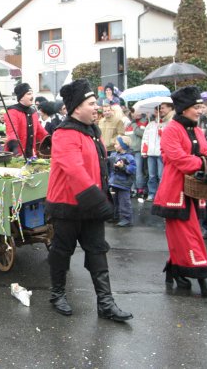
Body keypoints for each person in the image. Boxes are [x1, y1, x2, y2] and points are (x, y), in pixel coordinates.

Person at [45, 78, 132, 322]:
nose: (97, 107)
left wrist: (103, 195)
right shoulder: (64, 133)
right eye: (92, 103)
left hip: (91, 205)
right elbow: (74, 170)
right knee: (62, 251)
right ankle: (57, 294)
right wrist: (99, 201)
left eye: (96, 103)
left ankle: (106, 303)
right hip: (67, 205)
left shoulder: (93, 132)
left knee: (97, 251)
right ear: (76, 108)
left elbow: (98, 168)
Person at [151, 86, 207, 297]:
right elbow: (179, 158)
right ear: (184, 109)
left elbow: (205, 152)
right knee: (189, 234)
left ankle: (175, 270)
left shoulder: (197, 130)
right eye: (197, 107)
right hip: (175, 193)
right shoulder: (171, 130)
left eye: (201, 107)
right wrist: (205, 163)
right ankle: (204, 279)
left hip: (194, 191)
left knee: (182, 235)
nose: (200, 111)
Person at [5, 83, 48, 158]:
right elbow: (12, 132)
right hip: (17, 154)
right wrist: (14, 148)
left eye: (32, 94)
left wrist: (50, 140)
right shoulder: (12, 112)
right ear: (21, 97)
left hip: (31, 154)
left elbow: (40, 131)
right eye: (29, 94)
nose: (32, 97)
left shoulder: (33, 112)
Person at [142, 103, 174, 201]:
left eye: (158, 111)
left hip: (161, 153)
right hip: (151, 153)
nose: (157, 113)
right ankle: (152, 193)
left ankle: (162, 194)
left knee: (161, 175)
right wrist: (144, 151)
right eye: (155, 112)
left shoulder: (166, 124)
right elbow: (145, 138)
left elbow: (169, 138)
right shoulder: (150, 124)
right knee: (151, 175)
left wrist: (162, 132)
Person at [108, 135, 136, 227]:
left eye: (116, 144)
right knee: (114, 201)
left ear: (123, 146)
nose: (114, 145)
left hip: (124, 184)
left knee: (124, 202)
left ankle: (127, 219)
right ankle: (115, 216)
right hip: (115, 182)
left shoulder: (129, 157)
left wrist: (123, 166)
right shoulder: (113, 155)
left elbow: (132, 169)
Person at [128, 109, 148, 198]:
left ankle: (140, 189)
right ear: (132, 113)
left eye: (139, 111)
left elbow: (142, 133)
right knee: (131, 171)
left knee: (138, 171)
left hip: (138, 150)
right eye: (136, 112)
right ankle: (133, 189)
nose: (138, 113)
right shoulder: (129, 123)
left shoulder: (144, 122)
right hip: (130, 150)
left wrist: (134, 125)